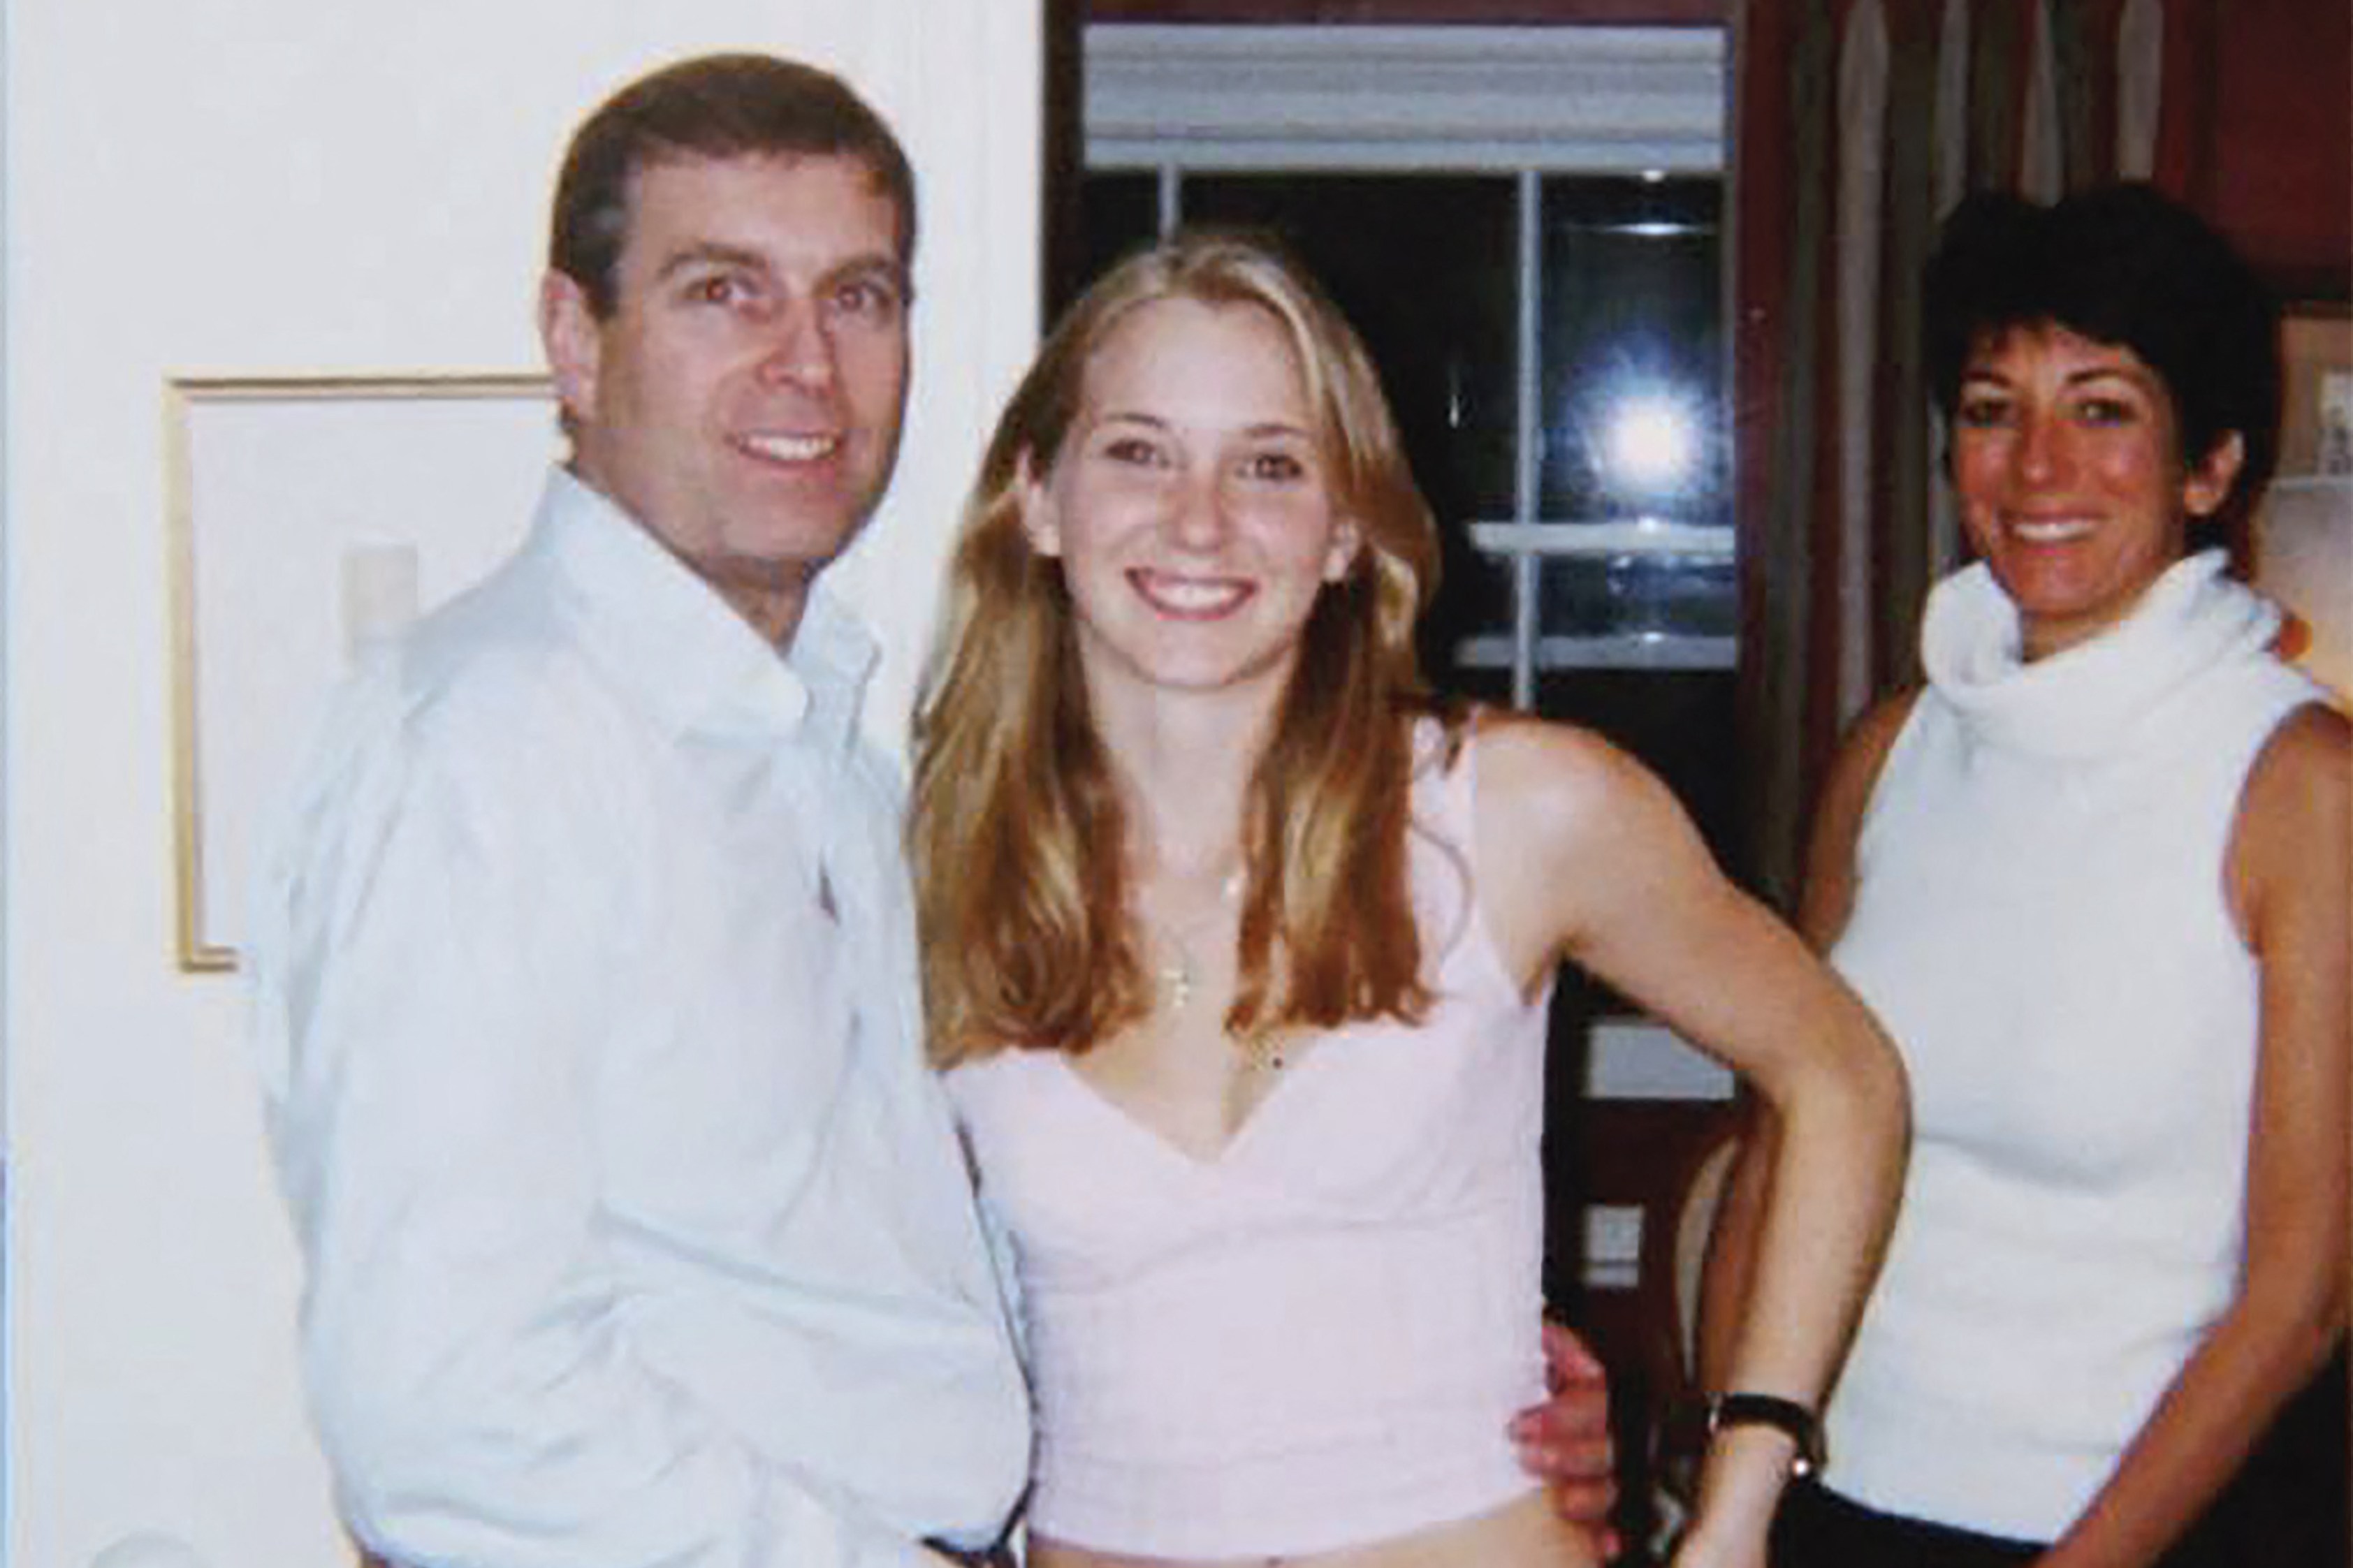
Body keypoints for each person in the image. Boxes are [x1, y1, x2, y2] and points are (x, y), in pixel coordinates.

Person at [249, 54, 1615, 1568]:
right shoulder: (485, 747)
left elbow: (906, 1272)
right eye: (723, 293)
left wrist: (1379, 1355)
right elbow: (446, 1411)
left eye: (859, 298)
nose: (804, 366)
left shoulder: (847, 763)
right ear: (576, 339)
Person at [908, 230, 1908, 1568]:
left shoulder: (1517, 813)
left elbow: (1842, 1072)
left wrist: (1737, 1504)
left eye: (1270, 464)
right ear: (1037, 499)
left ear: (1343, 532)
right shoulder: (930, 870)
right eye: (1139, 451)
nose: (1200, 520)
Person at [1700, 184, 2351, 1567]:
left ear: (2210, 466)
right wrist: (1729, 1484)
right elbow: (1779, 1152)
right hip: (1831, 1504)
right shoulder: (1892, 748)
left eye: (2101, 408)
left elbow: (2303, 1293)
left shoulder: (2300, 790)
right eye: (1993, 409)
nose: (2035, 466)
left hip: (2135, 1532)